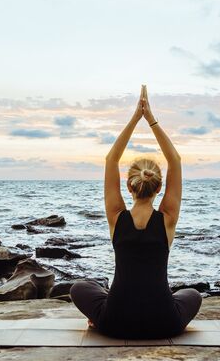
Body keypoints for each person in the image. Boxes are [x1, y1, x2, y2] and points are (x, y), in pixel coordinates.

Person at [69, 85, 202, 339]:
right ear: (159, 187)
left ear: (128, 186)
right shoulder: (167, 219)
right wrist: (150, 119)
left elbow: (111, 160)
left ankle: (103, 310)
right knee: (192, 294)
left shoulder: (116, 217)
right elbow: (175, 160)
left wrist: (134, 117)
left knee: (79, 287)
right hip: (165, 322)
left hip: (115, 322)